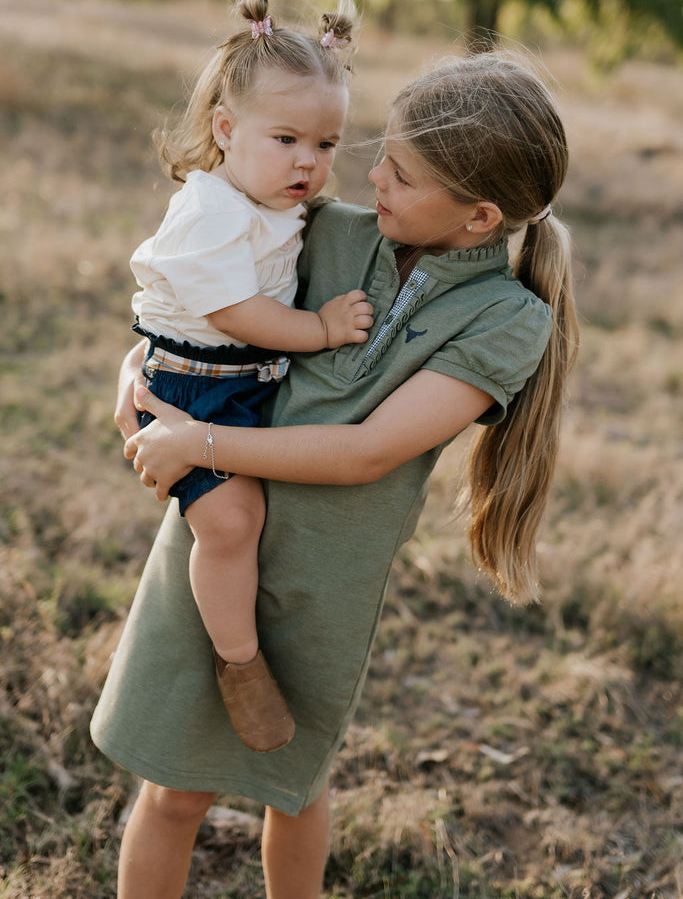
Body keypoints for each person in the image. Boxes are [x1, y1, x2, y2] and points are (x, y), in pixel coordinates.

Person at [91, 48, 579, 899]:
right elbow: (196, 304)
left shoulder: (507, 321)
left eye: (399, 171)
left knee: (296, 785)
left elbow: (366, 453)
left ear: (479, 217)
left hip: (326, 583)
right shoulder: (330, 231)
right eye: (380, 152)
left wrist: (198, 442)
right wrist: (137, 369)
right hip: (217, 548)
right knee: (174, 789)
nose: (369, 175)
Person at [126, 0, 373, 753]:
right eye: (288, 138)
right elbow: (237, 312)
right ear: (225, 131)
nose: (308, 161)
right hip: (195, 383)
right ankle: (240, 663)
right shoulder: (212, 210)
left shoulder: (273, 199)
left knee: (261, 513)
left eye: (327, 145)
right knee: (232, 523)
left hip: (240, 379)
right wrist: (319, 330)